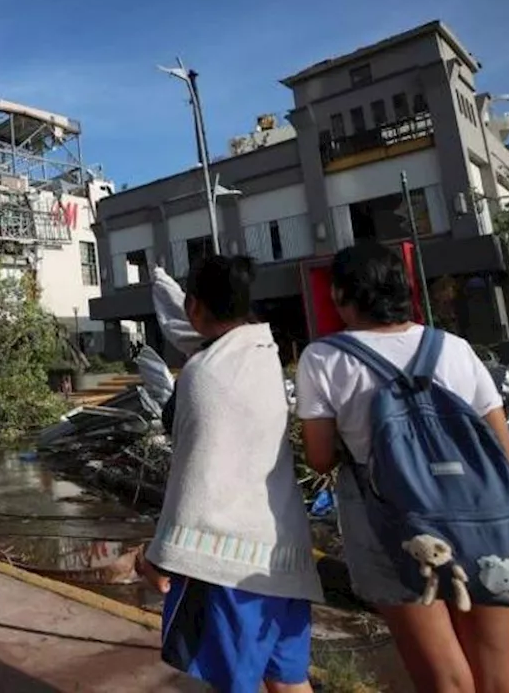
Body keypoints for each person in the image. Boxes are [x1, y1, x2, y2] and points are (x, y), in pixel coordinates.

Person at [294, 242, 509, 693]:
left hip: (393, 527)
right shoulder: (454, 348)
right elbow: (503, 449)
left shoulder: (323, 359)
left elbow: (319, 458)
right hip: (484, 521)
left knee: (445, 680)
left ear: (340, 295)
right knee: (500, 678)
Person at [135, 255, 323, 693]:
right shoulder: (263, 353)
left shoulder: (201, 373)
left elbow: (195, 471)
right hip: (285, 553)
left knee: (233, 682)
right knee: (289, 680)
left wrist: (160, 554)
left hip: (228, 566)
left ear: (196, 307)